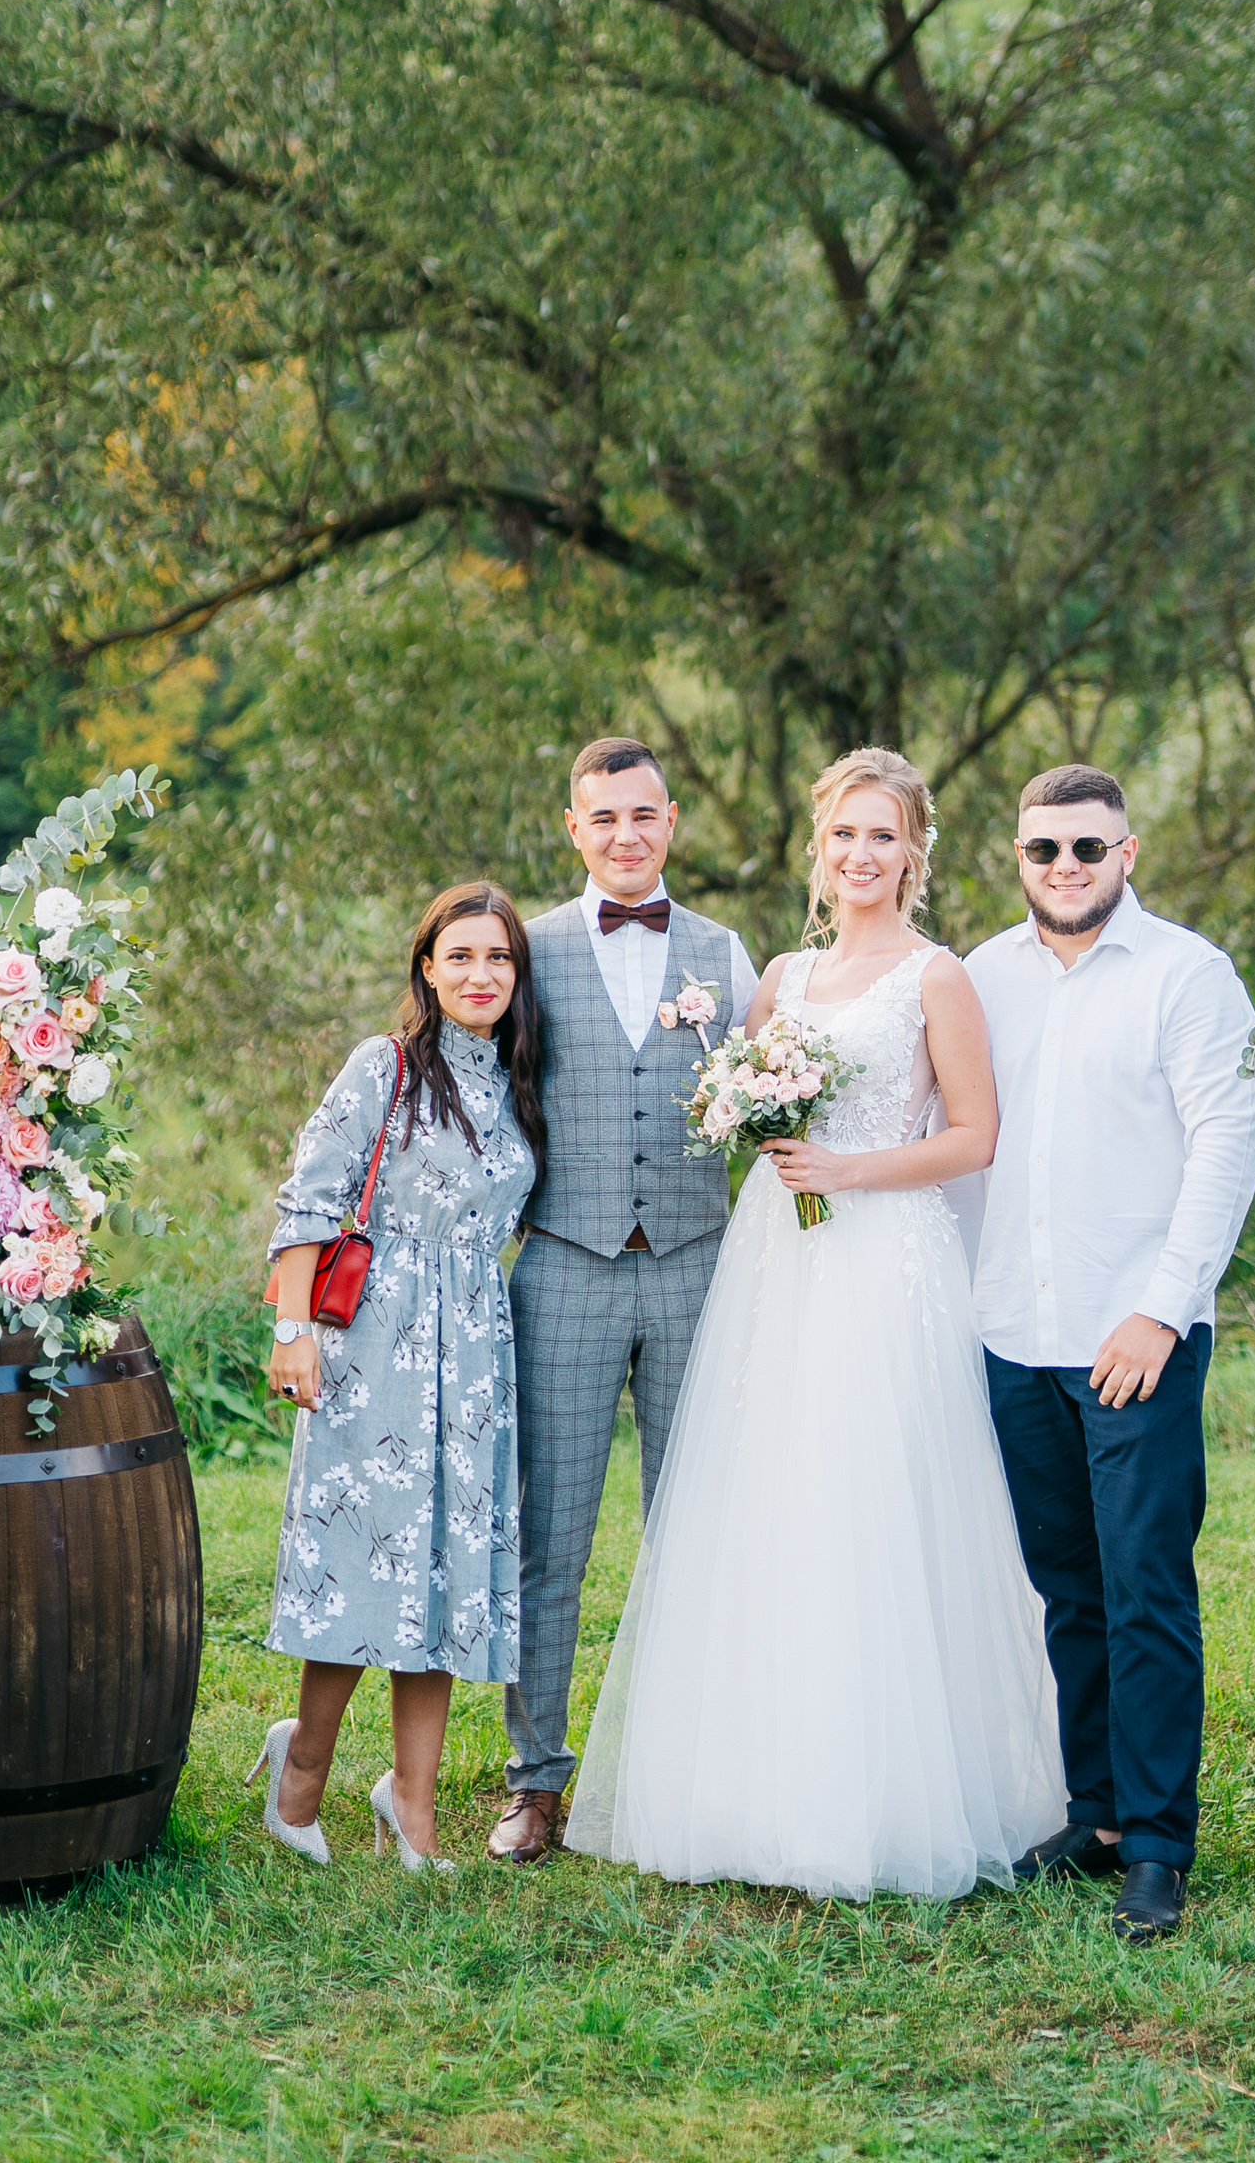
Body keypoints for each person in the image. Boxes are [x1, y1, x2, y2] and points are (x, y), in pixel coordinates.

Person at [564, 748, 1065, 1900]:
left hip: (889, 1263)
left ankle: (894, 1796)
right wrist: (746, 1118)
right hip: (779, 1260)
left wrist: (849, 1168)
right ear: (819, 847)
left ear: (914, 852)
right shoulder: (782, 977)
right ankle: (761, 1789)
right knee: (775, 1494)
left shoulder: (938, 977)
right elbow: (736, 1097)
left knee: (876, 1498)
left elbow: (975, 1136)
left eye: (883, 835)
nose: (862, 854)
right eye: (845, 833)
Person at [963, 765, 1255, 1942]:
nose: (1066, 868)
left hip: (1132, 1334)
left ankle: (1156, 1845)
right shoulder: (983, 977)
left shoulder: (1190, 977)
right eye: (1044, 849)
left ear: (1126, 853)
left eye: (1088, 847)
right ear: (1019, 855)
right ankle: (1093, 1817)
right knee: (1067, 1588)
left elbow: (1225, 1146)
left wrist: (1162, 1309)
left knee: (1146, 1590)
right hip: (1014, 1331)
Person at [489, 736, 761, 1863]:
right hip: (563, 1264)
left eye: (644, 814)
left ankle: (682, 1771)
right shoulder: (525, 950)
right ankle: (535, 1780)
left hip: (700, 1265)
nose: (626, 835)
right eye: (603, 817)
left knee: (693, 1528)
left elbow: (775, 1094)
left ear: (673, 820)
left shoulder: (725, 953)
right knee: (549, 1537)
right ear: (574, 828)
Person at [247, 883, 545, 1869]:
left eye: (498, 957)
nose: (480, 974)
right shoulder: (386, 1066)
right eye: (460, 956)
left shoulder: (521, 1081)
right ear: (427, 967)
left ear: (518, 973)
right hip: (375, 1341)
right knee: (357, 1565)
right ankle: (302, 1772)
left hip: (475, 1354)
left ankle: (411, 1805)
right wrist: (294, 1331)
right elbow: (309, 1199)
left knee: (448, 1576)